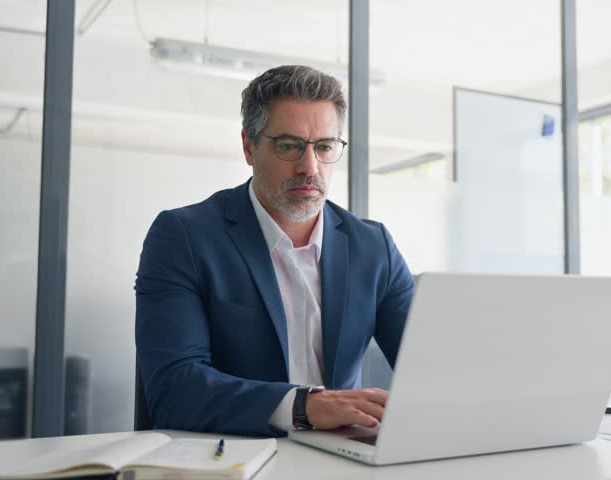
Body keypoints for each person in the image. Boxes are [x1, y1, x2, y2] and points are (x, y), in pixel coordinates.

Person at [135, 65, 414, 437]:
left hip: (340, 455)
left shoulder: (373, 246)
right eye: (288, 145)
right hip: (233, 454)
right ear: (249, 146)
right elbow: (174, 390)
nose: (309, 167)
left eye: (324, 147)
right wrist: (304, 406)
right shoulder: (184, 237)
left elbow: (430, 370)